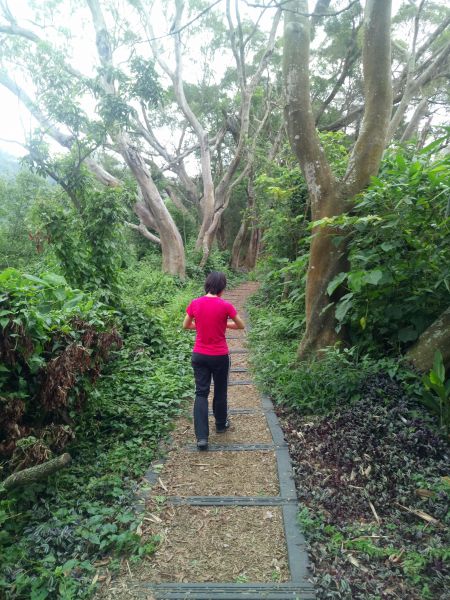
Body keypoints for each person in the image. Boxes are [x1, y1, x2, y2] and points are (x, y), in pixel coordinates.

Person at [183, 271, 245, 450]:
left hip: (199, 355)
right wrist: (223, 324)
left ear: (207, 285)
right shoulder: (225, 306)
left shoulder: (195, 303)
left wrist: (201, 325)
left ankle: (202, 438)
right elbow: (241, 325)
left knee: (201, 393)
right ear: (222, 288)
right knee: (220, 390)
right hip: (219, 356)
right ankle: (220, 424)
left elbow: (186, 325)